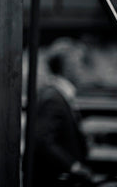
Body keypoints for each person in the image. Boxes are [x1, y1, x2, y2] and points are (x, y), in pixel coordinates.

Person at [30, 37, 92, 187]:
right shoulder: (53, 98)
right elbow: (43, 141)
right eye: (79, 65)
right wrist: (74, 166)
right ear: (67, 67)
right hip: (54, 180)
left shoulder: (59, 95)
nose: (82, 71)